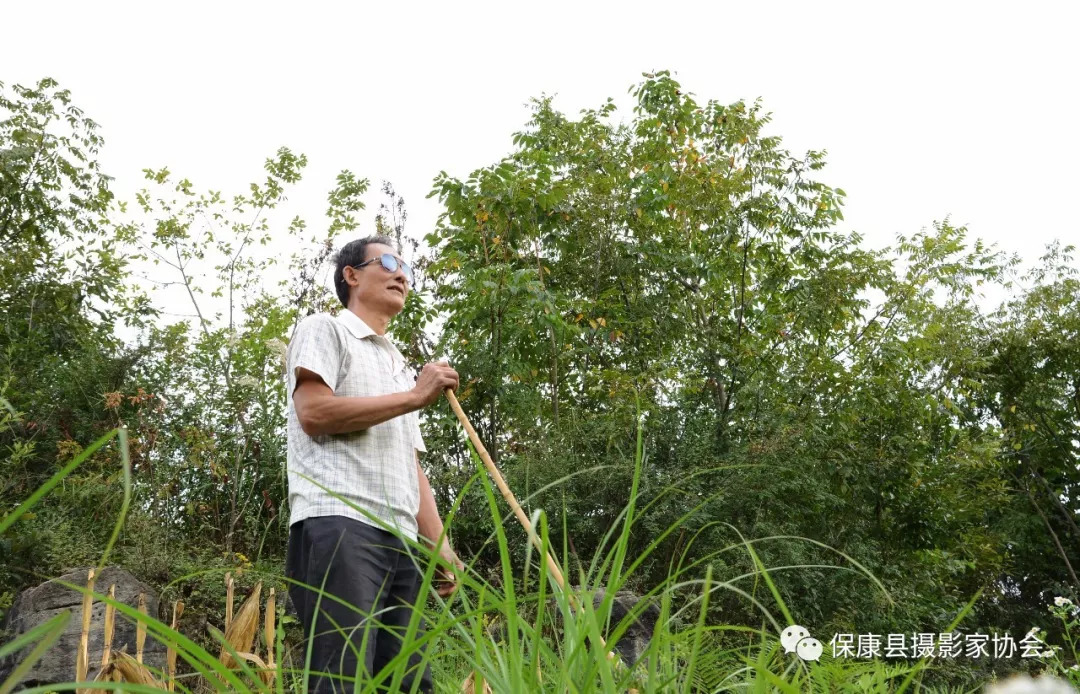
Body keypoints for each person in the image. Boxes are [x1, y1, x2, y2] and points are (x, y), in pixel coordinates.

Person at [284, 235, 462, 693]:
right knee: (342, 674)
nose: (401, 273)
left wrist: (438, 544)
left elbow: (410, 463)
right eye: (388, 261)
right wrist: (415, 397)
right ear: (352, 275)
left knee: (408, 681)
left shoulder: (399, 365)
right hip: (340, 522)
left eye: (406, 267)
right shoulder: (325, 328)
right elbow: (315, 414)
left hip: (401, 538)